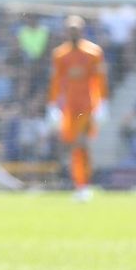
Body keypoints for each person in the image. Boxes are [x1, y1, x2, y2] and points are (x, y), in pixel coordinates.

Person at [47, 15, 109, 197]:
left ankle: (83, 185)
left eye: (76, 29)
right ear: (66, 32)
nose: (73, 33)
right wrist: (52, 104)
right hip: (69, 108)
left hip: (87, 107)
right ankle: (79, 183)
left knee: (80, 143)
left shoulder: (93, 53)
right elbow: (56, 81)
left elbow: (99, 80)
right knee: (72, 145)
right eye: (70, 29)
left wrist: (102, 102)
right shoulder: (60, 55)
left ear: (82, 31)